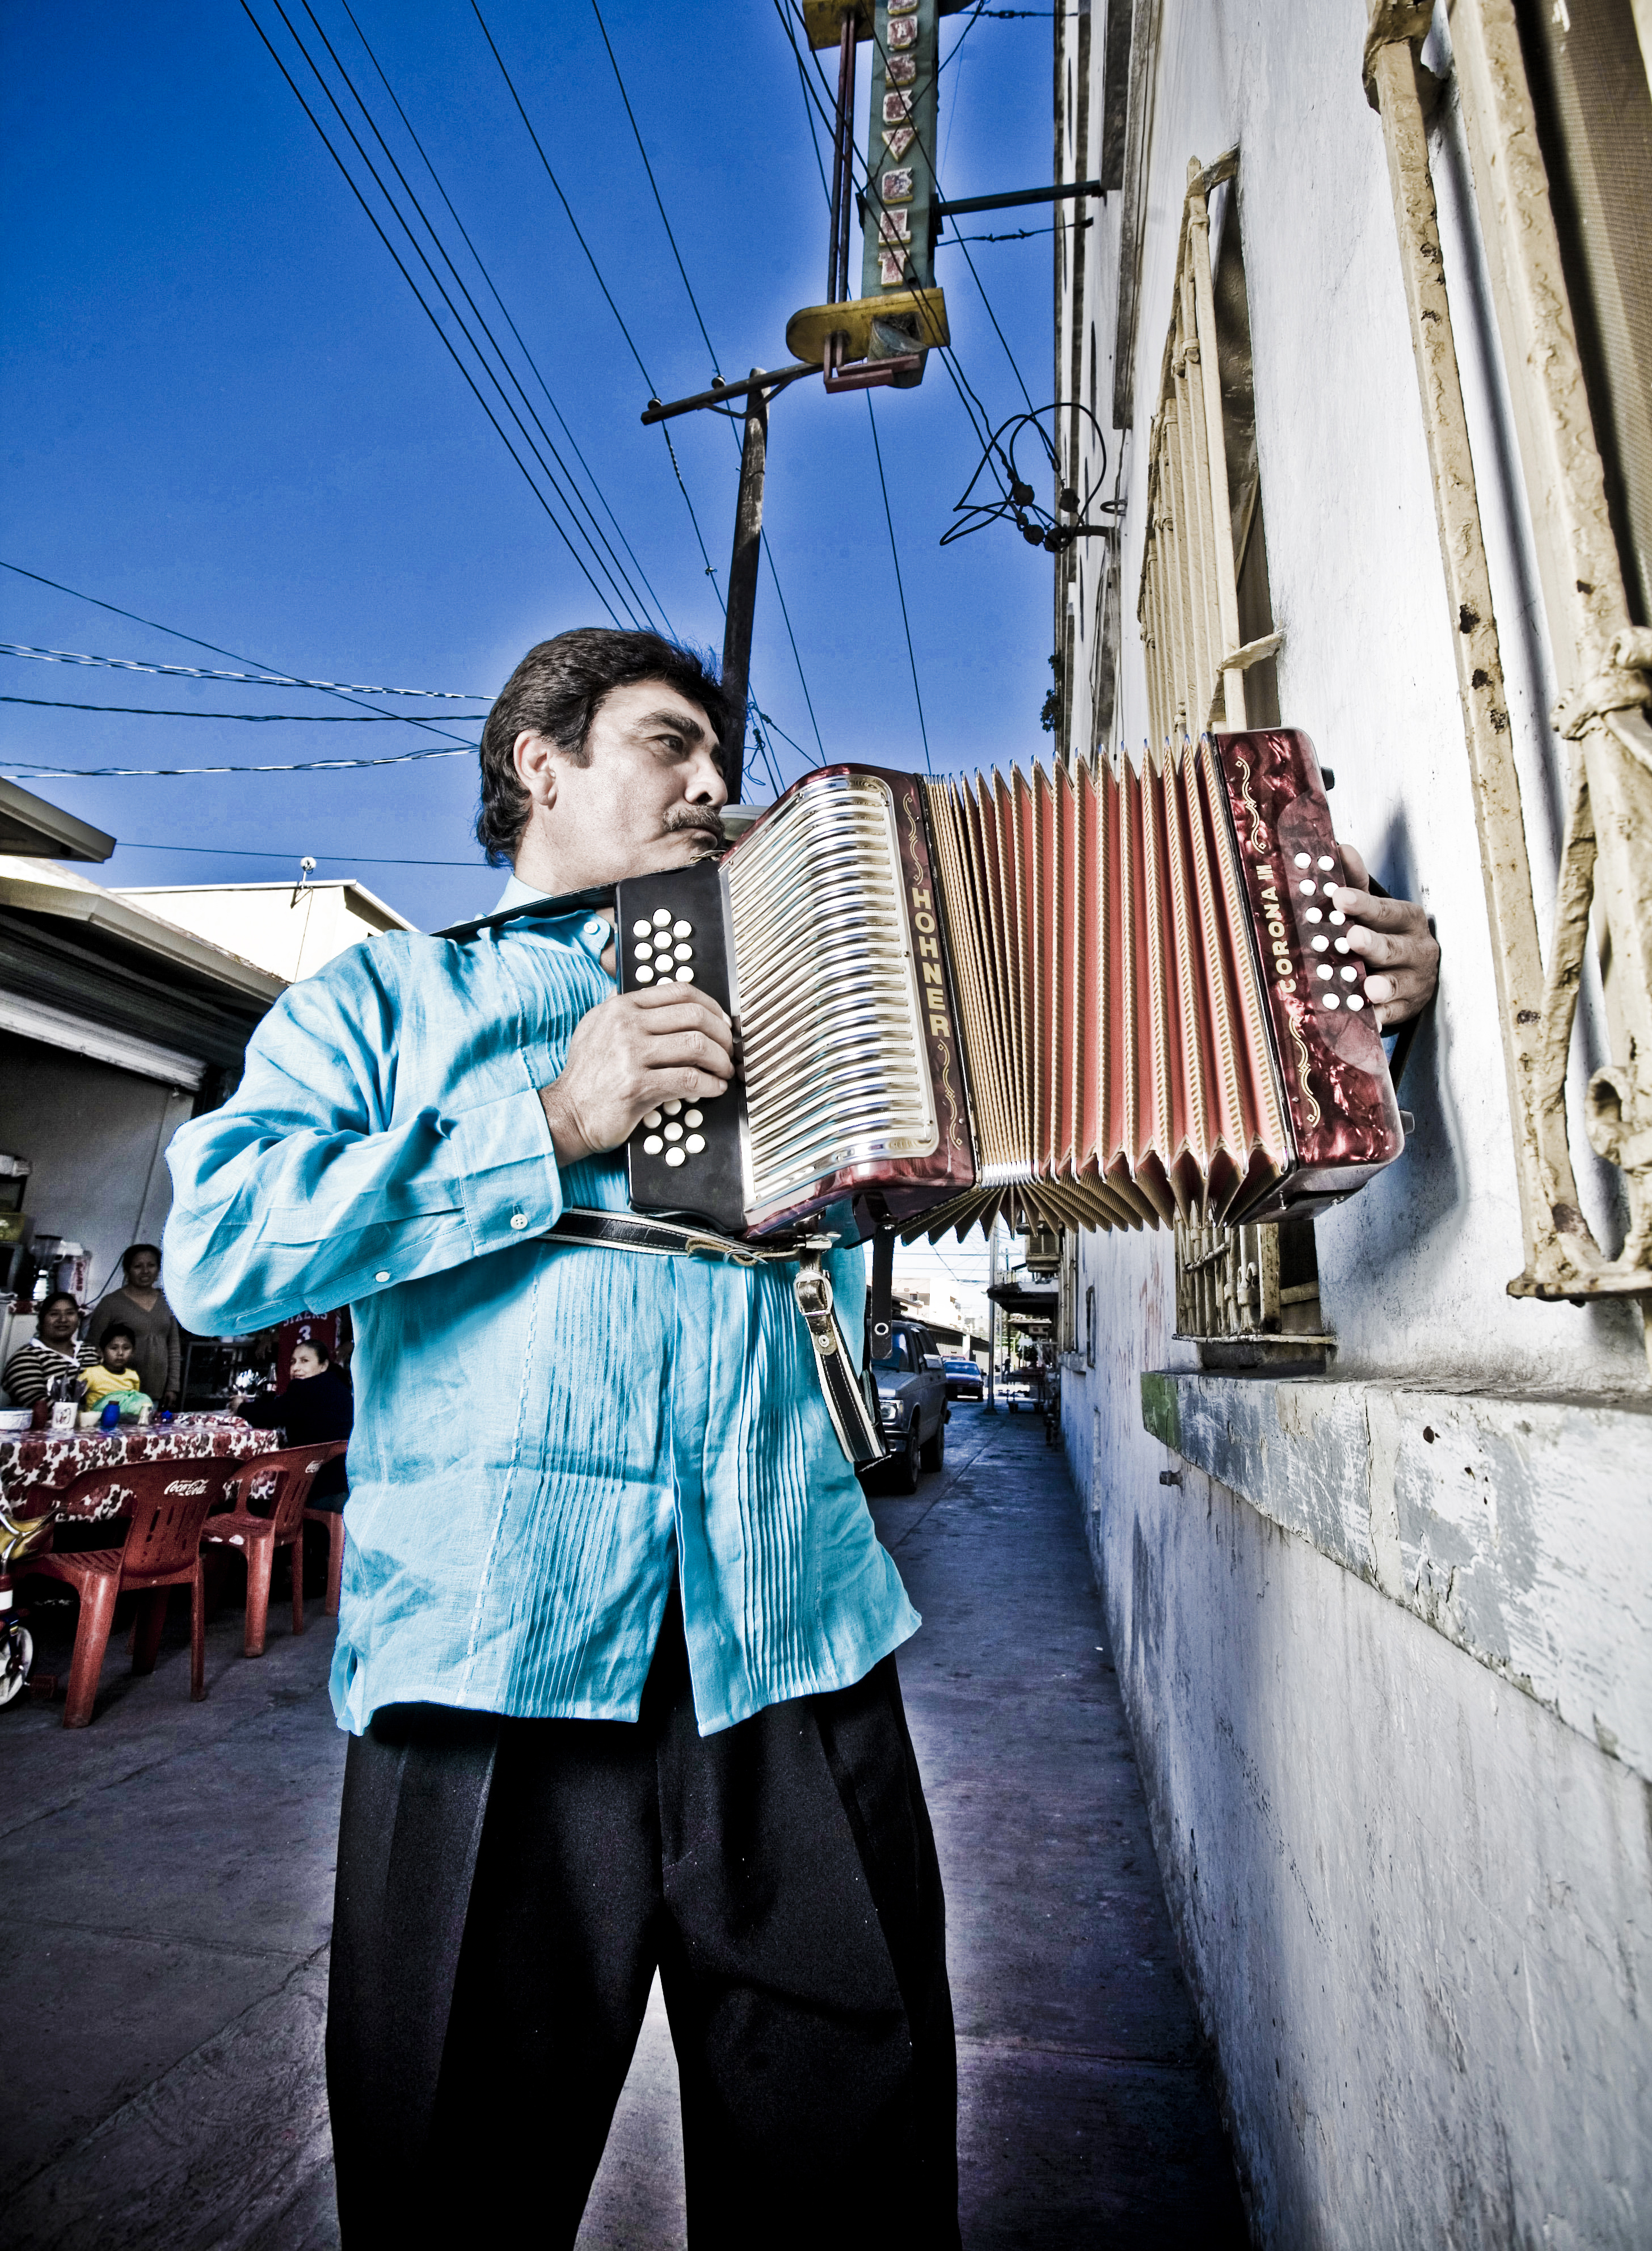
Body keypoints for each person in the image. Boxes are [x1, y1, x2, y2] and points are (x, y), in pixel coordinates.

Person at [162, 628, 1441, 2249]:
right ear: (537, 767)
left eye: (722, 756)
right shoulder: (393, 998)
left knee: (857, 2177)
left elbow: (1088, 1042)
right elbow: (219, 1253)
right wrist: (548, 1122)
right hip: (491, 1662)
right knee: (452, 2180)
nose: (712, 782)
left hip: (795, 1647)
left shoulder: (814, 986)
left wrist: (1332, 1006)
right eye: (665, 744)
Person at [258, 1336, 352, 1505]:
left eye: (305, 1361)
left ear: (323, 1365)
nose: (296, 1368)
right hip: (343, 1486)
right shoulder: (341, 1389)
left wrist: (239, 1407)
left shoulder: (305, 1390)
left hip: (313, 1488)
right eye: (293, 1362)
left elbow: (263, 1415)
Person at [87, 1243, 180, 1408]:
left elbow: (173, 1348)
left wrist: (173, 1386)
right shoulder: (111, 1303)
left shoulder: (167, 1302)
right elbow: (92, 1347)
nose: (145, 1271)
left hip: (157, 1389)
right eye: (138, 1266)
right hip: (115, 1390)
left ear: (159, 1269)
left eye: (151, 1265)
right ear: (127, 1271)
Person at [1, 1291, 92, 1409]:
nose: (63, 1319)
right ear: (42, 1320)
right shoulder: (26, 1358)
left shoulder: (89, 1352)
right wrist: (87, 1415)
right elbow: (37, 1404)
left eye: (70, 1313)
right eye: (54, 1314)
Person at [78, 1323, 151, 1423]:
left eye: (126, 1348)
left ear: (133, 1352)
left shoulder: (133, 1376)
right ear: (101, 1352)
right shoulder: (91, 1374)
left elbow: (133, 1401)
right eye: (114, 1348)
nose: (120, 1353)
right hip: (96, 1425)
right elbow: (74, 1398)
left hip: (124, 1426)